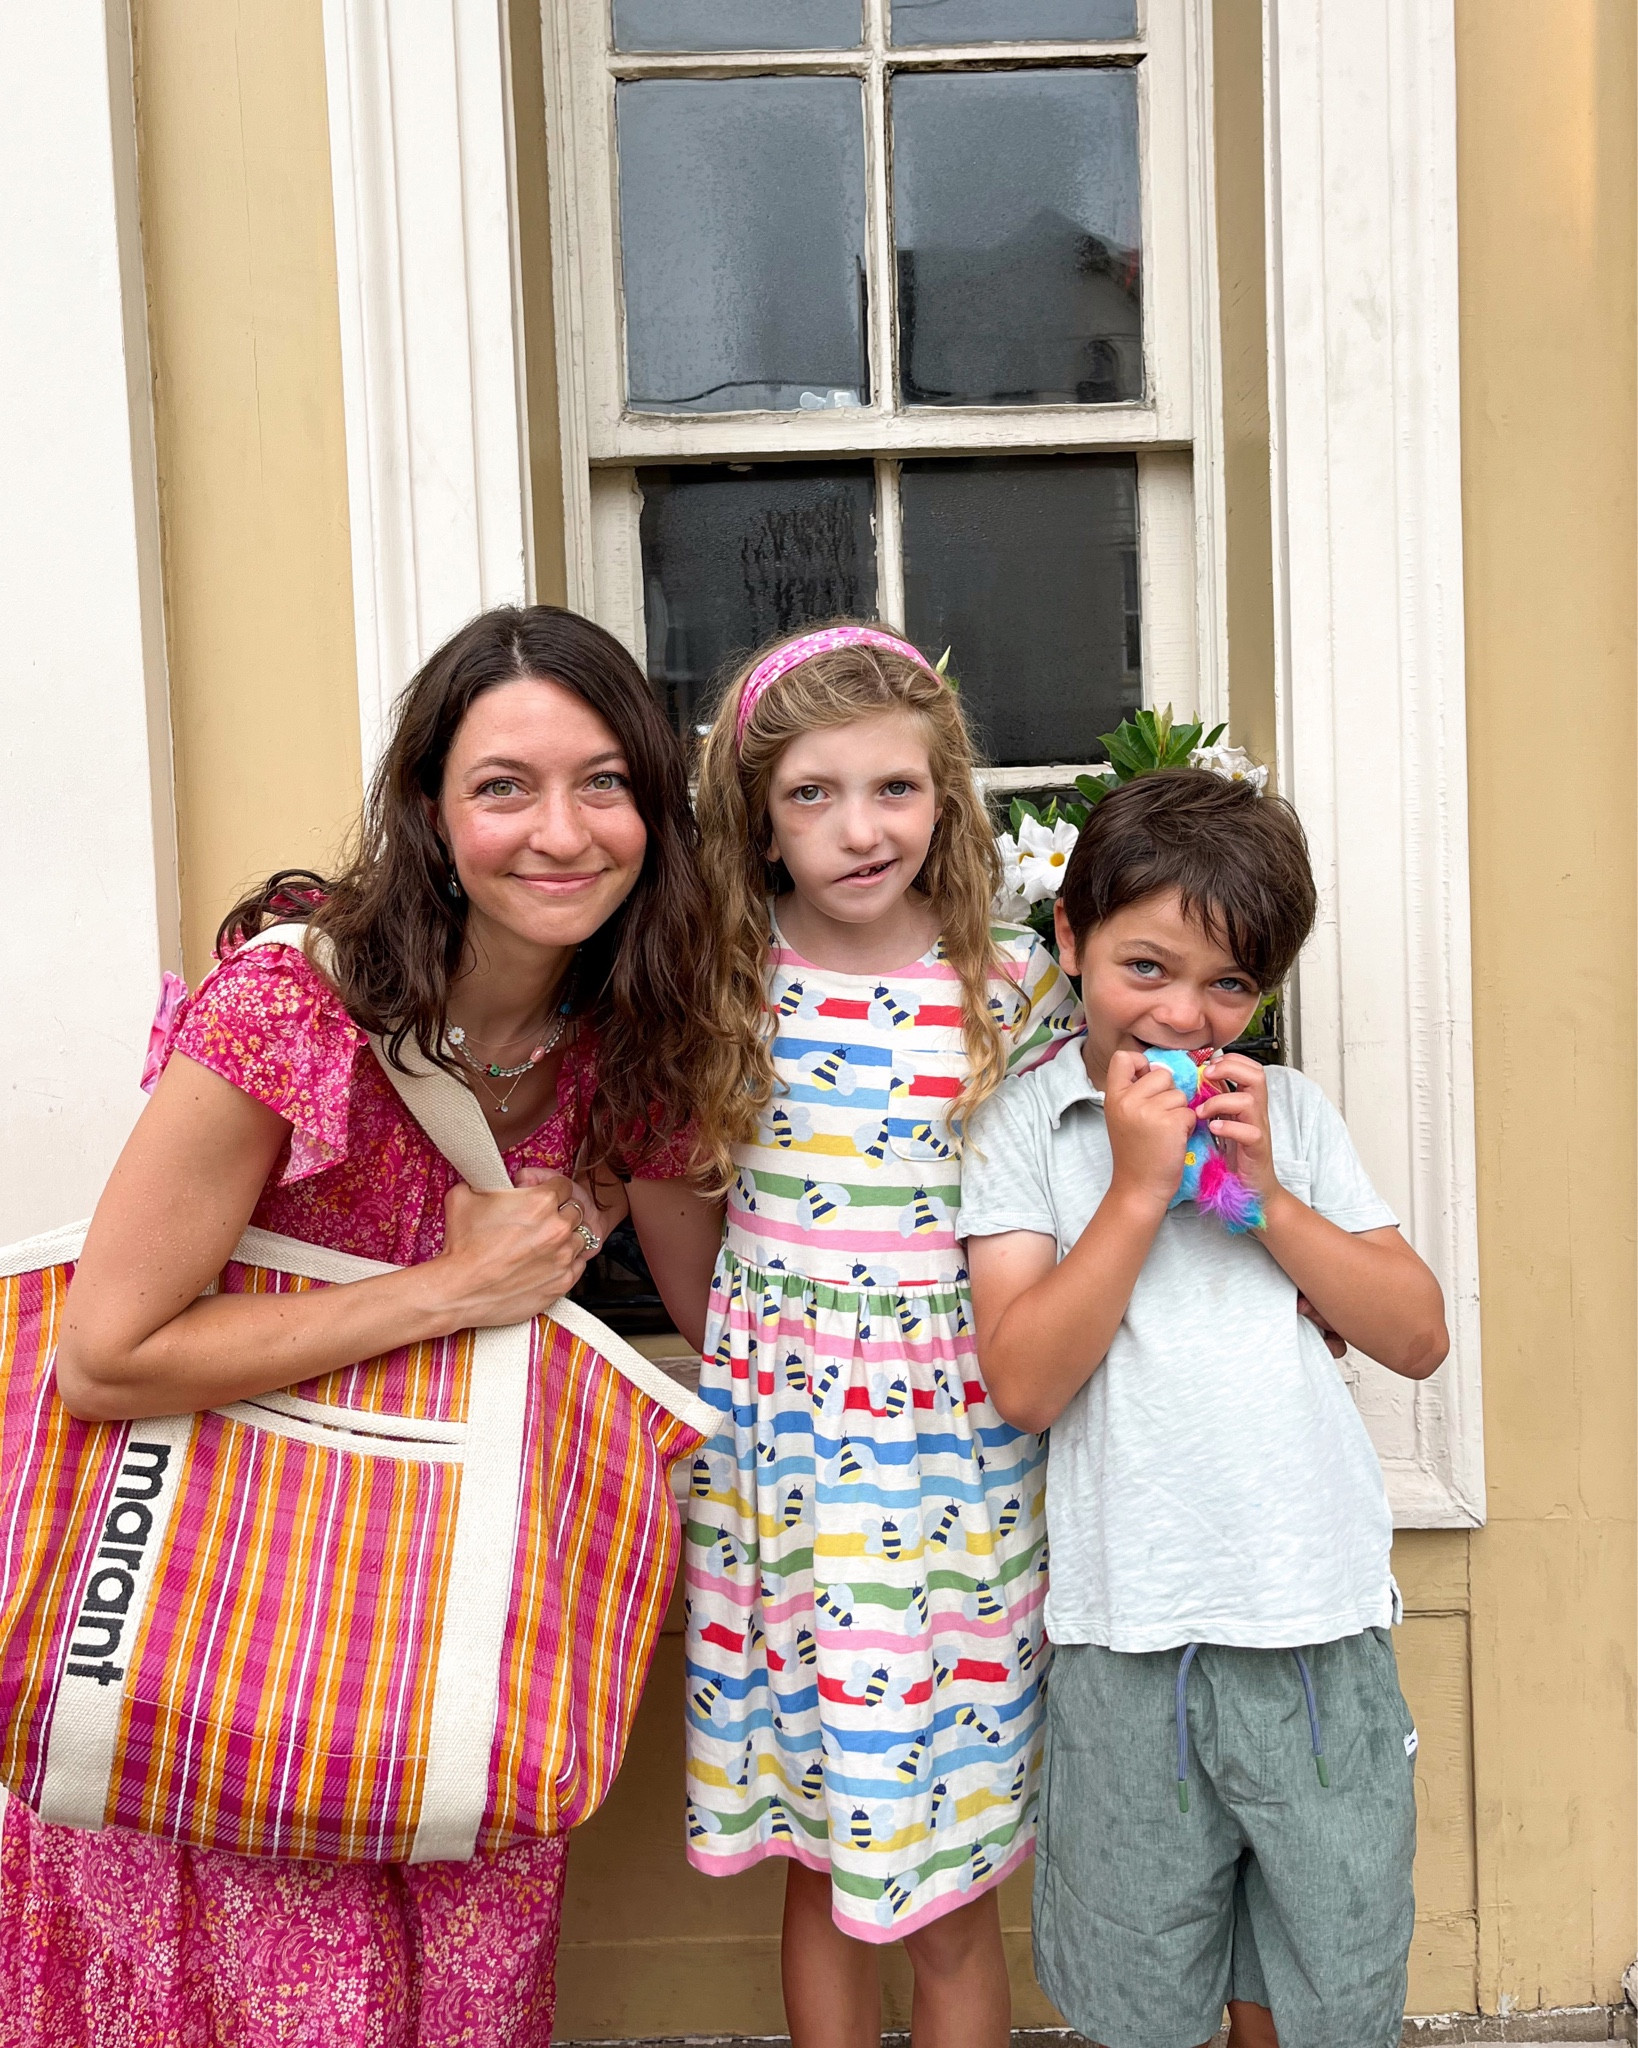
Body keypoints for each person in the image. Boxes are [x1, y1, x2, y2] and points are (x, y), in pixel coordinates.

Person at [3, 605, 724, 2048]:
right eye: (503, 787)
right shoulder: (292, 1008)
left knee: (467, 2008)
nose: (561, 831)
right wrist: (450, 1292)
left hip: (461, 1642)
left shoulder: (632, 1033)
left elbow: (719, 1316)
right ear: (430, 812)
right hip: (232, 1629)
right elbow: (107, 1355)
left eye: (604, 783)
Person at [961, 767, 1450, 2048]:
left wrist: (1267, 1197)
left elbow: (1414, 1332)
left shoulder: (1289, 1117)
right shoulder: (1024, 1130)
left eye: (1227, 985)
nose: (1183, 1014)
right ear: (1066, 941)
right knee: (1140, 1996)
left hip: (1316, 1624)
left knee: (1321, 1983)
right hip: (1132, 1636)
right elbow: (1023, 1379)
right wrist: (1132, 1190)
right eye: (1145, 968)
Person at [683, 623, 1081, 2048]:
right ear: (758, 818)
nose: (860, 830)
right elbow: (678, 1205)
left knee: (948, 1861)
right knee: (819, 1843)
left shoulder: (1014, 988)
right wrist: (759, 1353)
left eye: (895, 791)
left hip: (956, 1461)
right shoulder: (726, 982)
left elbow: (1059, 1192)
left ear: (945, 797)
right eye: (812, 795)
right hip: (783, 1461)